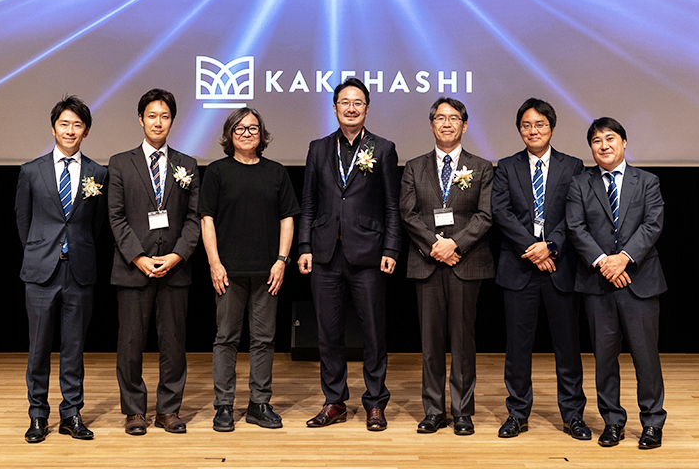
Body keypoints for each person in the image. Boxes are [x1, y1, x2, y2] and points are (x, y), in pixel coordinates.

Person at [297, 77, 402, 431]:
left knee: (373, 333)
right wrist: (305, 246)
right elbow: (309, 204)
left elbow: (391, 206)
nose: (351, 108)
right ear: (335, 108)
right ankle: (335, 401)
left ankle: (375, 402)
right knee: (328, 333)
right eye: (345, 102)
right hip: (325, 254)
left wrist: (391, 247)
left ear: (367, 109)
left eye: (358, 102)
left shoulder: (383, 148)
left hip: (369, 254)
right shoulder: (318, 148)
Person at [490, 98, 590, 440]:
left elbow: (575, 214)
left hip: (559, 267)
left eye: (540, 125)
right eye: (527, 125)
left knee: (568, 347)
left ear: (552, 127)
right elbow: (501, 213)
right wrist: (533, 249)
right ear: (520, 130)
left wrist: (552, 246)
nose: (533, 130)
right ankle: (517, 413)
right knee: (518, 348)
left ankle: (573, 415)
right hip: (519, 268)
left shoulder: (573, 166)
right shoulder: (506, 166)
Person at [566, 117, 667, 450]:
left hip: (639, 281)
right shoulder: (580, 184)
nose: (604, 145)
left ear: (624, 142)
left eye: (610, 138)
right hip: (598, 283)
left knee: (645, 357)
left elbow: (652, 225)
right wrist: (603, 262)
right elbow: (576, 228)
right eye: (596, 141)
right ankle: (612, 421)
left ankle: (652, 422)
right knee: (604, 358)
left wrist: (623, 258)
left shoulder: (647, 181)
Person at [14, 96, 109, 443]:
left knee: (74, 348)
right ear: (53, 128)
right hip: (41, 271)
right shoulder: (31, 171)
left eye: (77, 125)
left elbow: (96, 225)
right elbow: (23, 221)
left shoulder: (98, 173)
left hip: (79, 271)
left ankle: (71, 413)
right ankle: (38, 414)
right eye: (64, 124)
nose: (70, 130)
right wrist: (43, 251)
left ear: (86, 131)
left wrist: (74, 248)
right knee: (39, 347)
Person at [107, 88, 201, 435]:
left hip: (175, 269)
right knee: (130, 343)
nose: (158, 122)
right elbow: (116, 217)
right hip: (133, 268)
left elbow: (194, 218)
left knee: (173, 343)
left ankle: (168, 410)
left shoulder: (187, 165)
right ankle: (134, 411)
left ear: (172, 121)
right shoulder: (120, 163)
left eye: (164, 116)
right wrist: (139, 257)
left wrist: (177, 255)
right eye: (151, 116)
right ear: (141, 119)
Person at [200, 107, 300, 432]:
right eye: (240, 128)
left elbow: (288, 218)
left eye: (253, 128)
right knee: (226, 339)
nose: (247, 133)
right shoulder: (216, 172)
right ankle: (223, 406)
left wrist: (282, 260)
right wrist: (214, 263)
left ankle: (259, 403)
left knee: (264, 340)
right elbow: (206, 220)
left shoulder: (276, 172)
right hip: (227, 272)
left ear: (262, 134)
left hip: (267, 271)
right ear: (229, 134)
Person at [399, 97, 494, 436]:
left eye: (454, 118)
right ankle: (434, 410)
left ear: (464, 125)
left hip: (465, 263)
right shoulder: (414, 167)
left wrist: (455, 244)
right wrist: (435, 246)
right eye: (440, 118)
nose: (447, 123)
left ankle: (463, 411)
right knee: (431, 342)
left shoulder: (481, 167)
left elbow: (485, 215)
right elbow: (408, 214)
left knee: (463, 341)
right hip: (427, 263)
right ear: (431, 125)